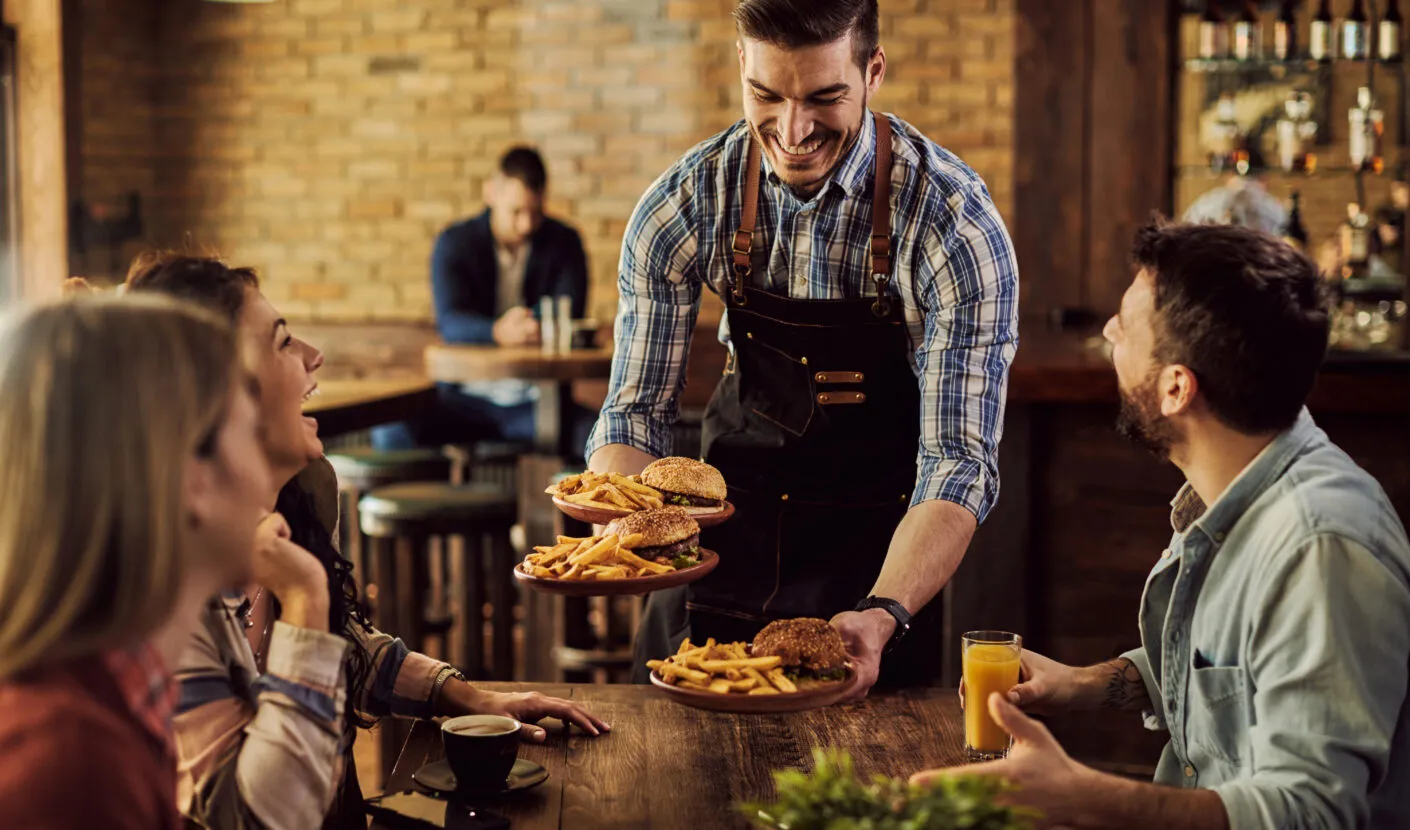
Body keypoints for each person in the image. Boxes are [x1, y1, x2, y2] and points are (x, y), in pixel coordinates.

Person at [913, 220, 1410, 829]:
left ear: (1176, 387)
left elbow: (1311, 813)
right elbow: (1226, 670)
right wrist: (1083, 683)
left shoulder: (1321, 548)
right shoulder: (1232, 489)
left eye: (1126, 325)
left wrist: (1082, 796)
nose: (1108, 332)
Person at [589, 0, 1019, 694]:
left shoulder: (951, 222)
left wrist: (883, 612)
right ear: (741, 66)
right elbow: (635, 416)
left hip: (878, 573)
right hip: (716, 561)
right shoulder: (687, 203)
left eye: (825, 97)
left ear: (872, 71)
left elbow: (958, 465)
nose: (792, 131)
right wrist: (631, 535)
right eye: (766, 94)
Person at [125, 253, 609, 830]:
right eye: (282, 343)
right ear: (219, 393)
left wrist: (466, 697)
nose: (313, 355)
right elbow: (252, 819)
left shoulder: (303, 494)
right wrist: (305, 597)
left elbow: (342, 644)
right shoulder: (161, 596)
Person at [0, 295, 266, 829]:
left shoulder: (111, 700)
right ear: (193, 474)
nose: (265, 471)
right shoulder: (70, 769)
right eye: (253, 432)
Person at [372, 145, 595, 456]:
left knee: (602, 438)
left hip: (538, 401)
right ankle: (444, 502)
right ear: (491, 193)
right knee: (391, 430)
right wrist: (498, 332)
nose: (527, 225)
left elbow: (569, 315)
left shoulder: (564, 242)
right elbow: (451, 322)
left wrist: (533, 329)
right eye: (516, 212)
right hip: (464, 398)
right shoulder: (455, 242)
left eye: (536, 212)